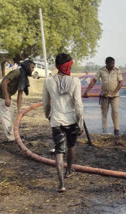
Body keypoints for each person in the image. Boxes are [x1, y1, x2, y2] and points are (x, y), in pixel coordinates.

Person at [42, 53, 84, 192]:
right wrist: (80, 122)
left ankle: (61, 184)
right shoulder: (75, 81)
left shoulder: (48, 81)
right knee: (71, 146)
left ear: (57, 65)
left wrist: (48, 115)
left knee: (59, 151)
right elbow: (78, 104)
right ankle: (69, 170)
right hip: (71, 120)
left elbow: (46, 103)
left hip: (56, 120)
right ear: (68, 65)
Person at [0, 59, 35, 141]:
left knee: (13, 116)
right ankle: (11, 138)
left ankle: (15, 135)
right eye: (32, 67)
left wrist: (19, 109)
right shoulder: (17, 72)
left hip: (8, 96)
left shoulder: (24, 78)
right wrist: (6, 98)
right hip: (1, 96)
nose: (33, 69)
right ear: (27, 66)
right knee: (6, 117)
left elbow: (20, 95)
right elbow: (4, 82)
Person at [82, 57, 123, 136]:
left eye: (114, 63)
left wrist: (114, 93)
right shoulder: (101, 70)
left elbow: (121, 83)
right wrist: (86, 92)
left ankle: (116, 130)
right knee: (104, 113)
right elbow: (94, 81)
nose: (113, 65)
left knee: (115, 112)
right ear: (107, 64)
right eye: (111, 64)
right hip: (104, 95)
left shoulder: (117, 70)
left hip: (115, 96)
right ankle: (104, 130)